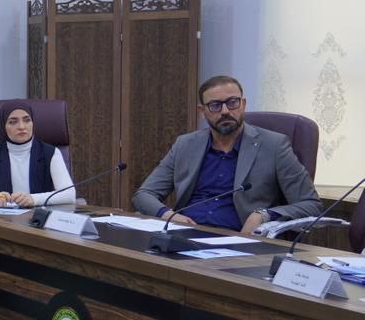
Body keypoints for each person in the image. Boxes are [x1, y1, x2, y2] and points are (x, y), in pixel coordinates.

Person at [132, 75, 321, 234]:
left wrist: (263, 215)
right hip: (183, 235)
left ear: (243, 104)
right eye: (215, 105)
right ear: (202, 111)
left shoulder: (274, 145)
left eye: (232, 103)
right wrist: (169, 216)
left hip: (238, 240)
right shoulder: (186, 144)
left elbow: (311, 205)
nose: (225, 111)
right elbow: (144, 195)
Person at [0, 102, 75, 208]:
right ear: (3, 126)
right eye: (13, 122)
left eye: (27, 120)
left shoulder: (50, 152)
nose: (21, 127)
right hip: (2, 220)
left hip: (39, 219)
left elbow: (69, 194)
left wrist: (34, 199)